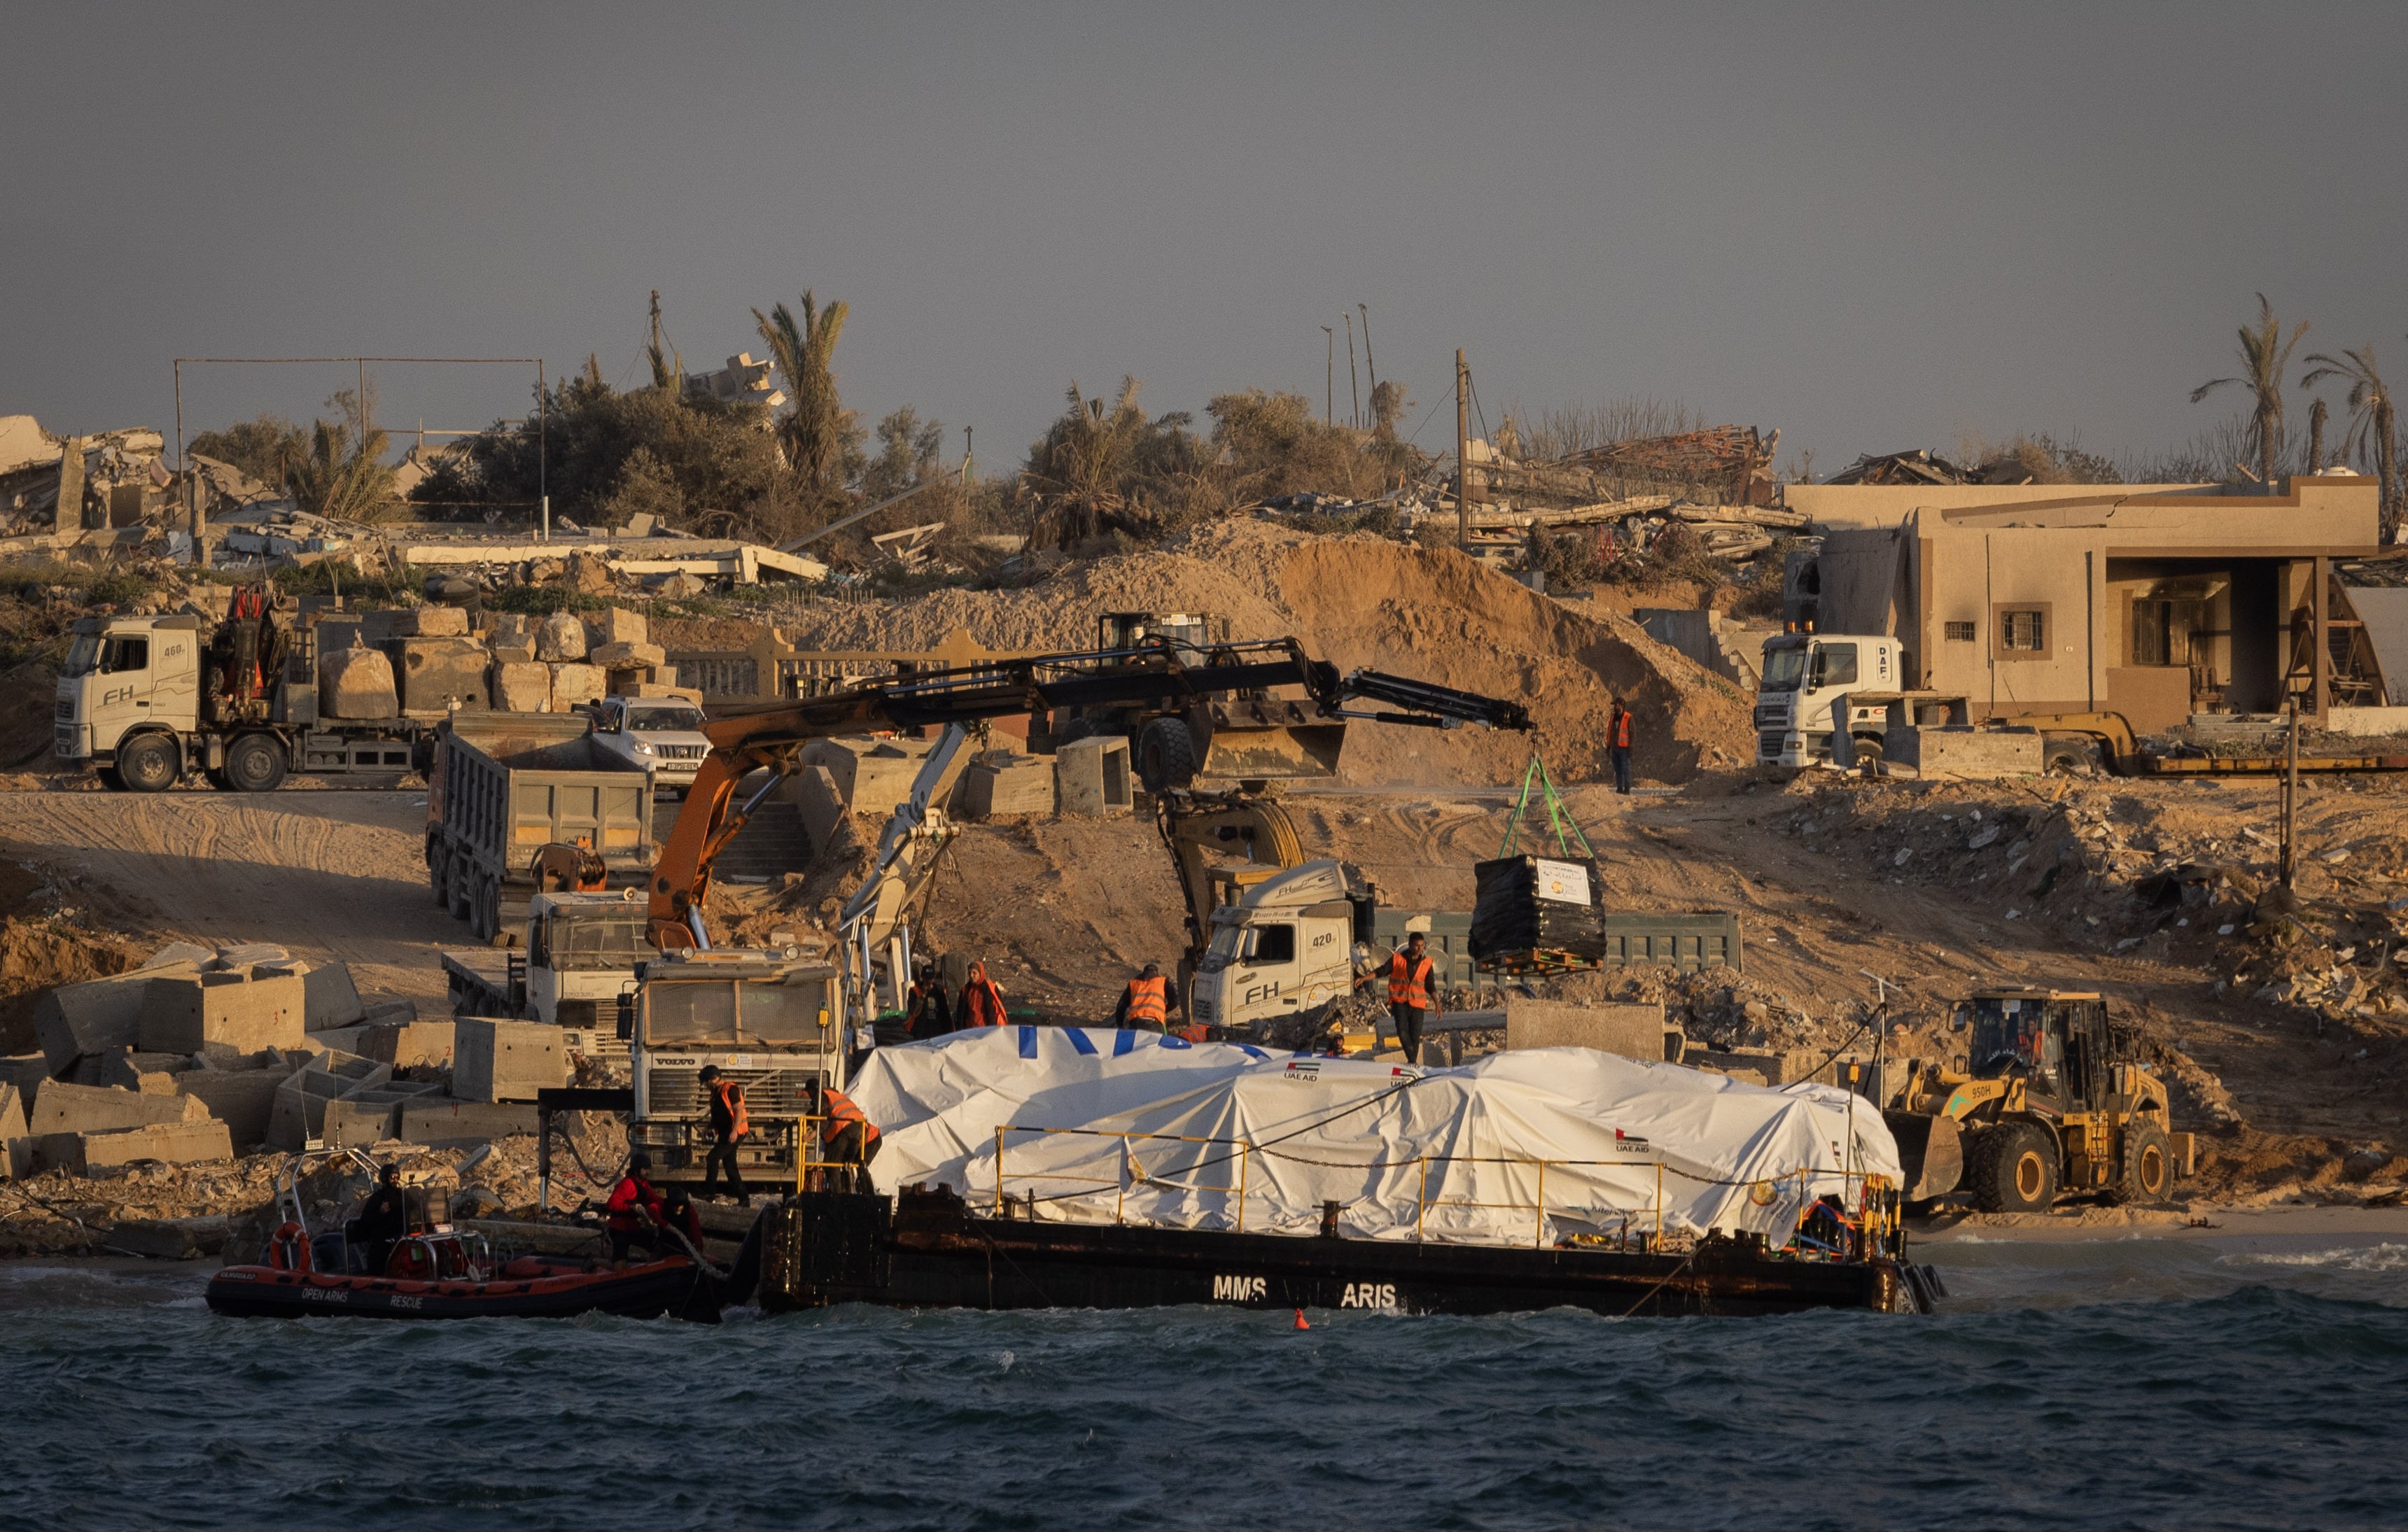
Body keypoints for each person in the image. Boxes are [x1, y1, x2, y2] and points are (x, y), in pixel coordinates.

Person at [816, 1082, 883, 1194]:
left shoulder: (844, 1118)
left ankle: (866, 1194)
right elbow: (825, 1147)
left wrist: (850, 1158)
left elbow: (855, 1137)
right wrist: (818, 1163)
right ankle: (844, 1191)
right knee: (841, 1164)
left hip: (871, 1140)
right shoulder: (835, 1123)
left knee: (859, 1165)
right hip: (860, 1140)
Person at [603, 1152, 668, 1265]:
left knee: (657, 1246)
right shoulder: (627, 1184)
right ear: (637, 1170)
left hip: (633, 1228)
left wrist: (668, 1203)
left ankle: (650, 1270)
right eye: (645, 1169)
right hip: (619, 1229)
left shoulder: (643, 1185)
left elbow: (654, 1198)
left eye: (649, 1169)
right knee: (619, 1269)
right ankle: (594, 1261)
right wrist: (630, 1207)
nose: (648, 1172)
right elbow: (611, 1204)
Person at [699, 1064, 750, 1202]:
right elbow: (717, 1116)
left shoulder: (731, 1089)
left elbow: (739, 1110)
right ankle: (744, 1200)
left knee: (712, 1158)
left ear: (714, 1078)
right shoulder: (716, 1093)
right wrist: (708, 1128)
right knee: (730, 1168)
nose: (706, 1086)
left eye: (707, 1082)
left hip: (735, 1133)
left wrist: (734, 1131)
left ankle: (709, 1193)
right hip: (725, 1133)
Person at [1386, 929, 1438, 1067]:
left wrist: (1437, 1004)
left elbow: (1430, 985)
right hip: (1400, 1001)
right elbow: (1382, 970)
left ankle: (1412, 1063)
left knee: (1415, 1035)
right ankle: (1412, 1060)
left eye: (1422, 945)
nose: (1420, 948)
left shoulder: (1426, 963)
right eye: (1417, 945)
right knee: (1403, 1031)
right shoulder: (1399, 960)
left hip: (1417, 1003)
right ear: (1410, 945)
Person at [346, 1162, 408, 1275]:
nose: (395, 1180)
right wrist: (380, 1212)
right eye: (392, 1177)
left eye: (397, 1177)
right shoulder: (377, 1198)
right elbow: (365, 1220)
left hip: (400, 1237)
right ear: (384, 1179)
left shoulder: (402, 1194)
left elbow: (413, 1208)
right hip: (382, 1241)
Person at [1111, 962, 1175, 1032]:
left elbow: (1121, 1006)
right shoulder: (1163, 981)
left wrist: (1120, 1025)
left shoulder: (1134, 983)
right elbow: (1175, 1001)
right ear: (1156, 973)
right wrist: (1165, 1010)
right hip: (1155, 1022)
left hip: (1136, 1023)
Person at [904, 962, 954, 1040]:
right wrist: (922, 996)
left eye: (931, 979)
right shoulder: (915, 991)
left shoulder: (939, 991)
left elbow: (945, 1012)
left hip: (938, 1031)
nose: (928, 981)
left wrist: (950, 1030)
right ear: (922, 978)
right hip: (921, 1032)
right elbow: (913, 1012)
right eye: (926, 979)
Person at [960, 960, 1008, 1028]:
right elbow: (961, 1013)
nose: (971, 975)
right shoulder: (965, 990)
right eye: (969, 973)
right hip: (970, 1031)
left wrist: (993, 1029)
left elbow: (994, 1010)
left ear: (980, 973)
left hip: (986, 1030)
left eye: (974, 973)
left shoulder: (990, 988)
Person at [657, 1186, 706, 1252]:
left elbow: (696, 1229)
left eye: (681, 1205)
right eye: (676, 1206)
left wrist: (699, 1248)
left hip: (684, 1244)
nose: (678, 1208)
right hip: (666, 1242)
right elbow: (652, 1211)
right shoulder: (663, 1206)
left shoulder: (689, 1210)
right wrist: (664, 1224)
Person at [1609, 696, 1634, 795]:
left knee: (1626, 769)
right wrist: (1608, 746)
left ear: (1622, 706)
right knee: (1618, 769)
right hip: (1615, 748)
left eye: (1616, 705)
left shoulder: (1628, 718)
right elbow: (1610, 733)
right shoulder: (1613, 718)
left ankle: (1627, 788)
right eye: (1615, 705)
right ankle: (1619, 788)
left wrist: (1631, 748)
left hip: (1624, 749)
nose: (1615, 707)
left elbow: (1632, 734)